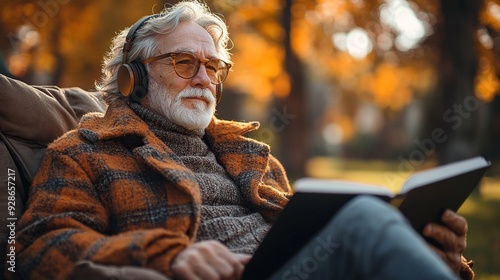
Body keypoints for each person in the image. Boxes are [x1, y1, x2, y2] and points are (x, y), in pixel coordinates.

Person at [15, 1, 474, 279]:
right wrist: (167, 256)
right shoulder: (84, 152)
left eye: (213, 67)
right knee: (364, 218)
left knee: (367, 224)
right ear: (132, 77)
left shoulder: (252, 156)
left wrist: (441, 260)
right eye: (183, 63)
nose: (204, 78)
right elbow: (39, 250)